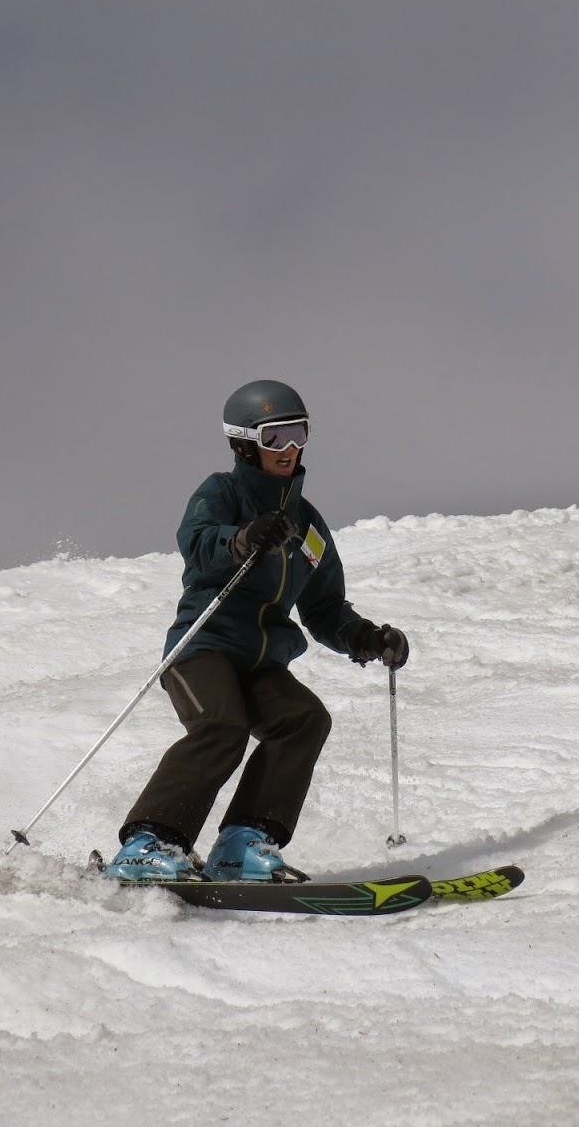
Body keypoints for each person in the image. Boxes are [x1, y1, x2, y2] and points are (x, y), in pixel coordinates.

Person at [106, 379, 409, 884]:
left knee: (303, 718)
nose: (290, 448)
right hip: (202, 649)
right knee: (222, 728)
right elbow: (198, 541)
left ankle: (241, 844)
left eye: (299, 433)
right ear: (244, 442)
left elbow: (324, 605)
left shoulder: (308, 527)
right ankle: (150, 844)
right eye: (276, 437)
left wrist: (366, 638)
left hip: (262, 660)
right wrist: (243, 537)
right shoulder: (222, 493)